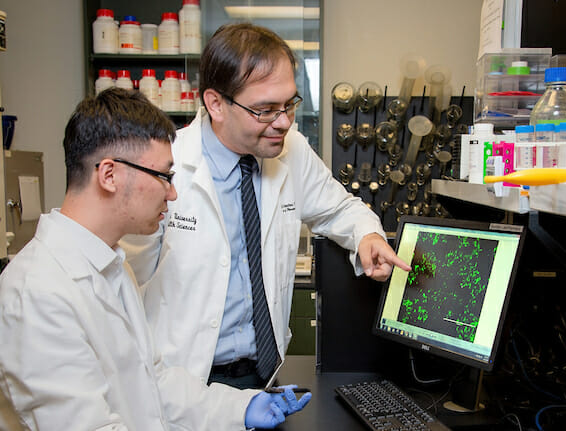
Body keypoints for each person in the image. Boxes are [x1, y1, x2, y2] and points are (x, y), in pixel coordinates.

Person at [121, 23, 411, 389]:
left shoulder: (292, 151)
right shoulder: (168, 166)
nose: (284, 122)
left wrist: (367, 236)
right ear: (216, 104)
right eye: (266, 109)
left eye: (289, 104)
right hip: (184, 383)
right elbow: (125, 282)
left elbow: (339, 209)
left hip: (266, 376)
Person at [0, 88, 310, 430]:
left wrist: (241, 406)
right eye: (164, 176)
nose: (173, 192)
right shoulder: (38, 292)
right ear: (109, 175)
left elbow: (154, 382)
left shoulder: (111, 267)